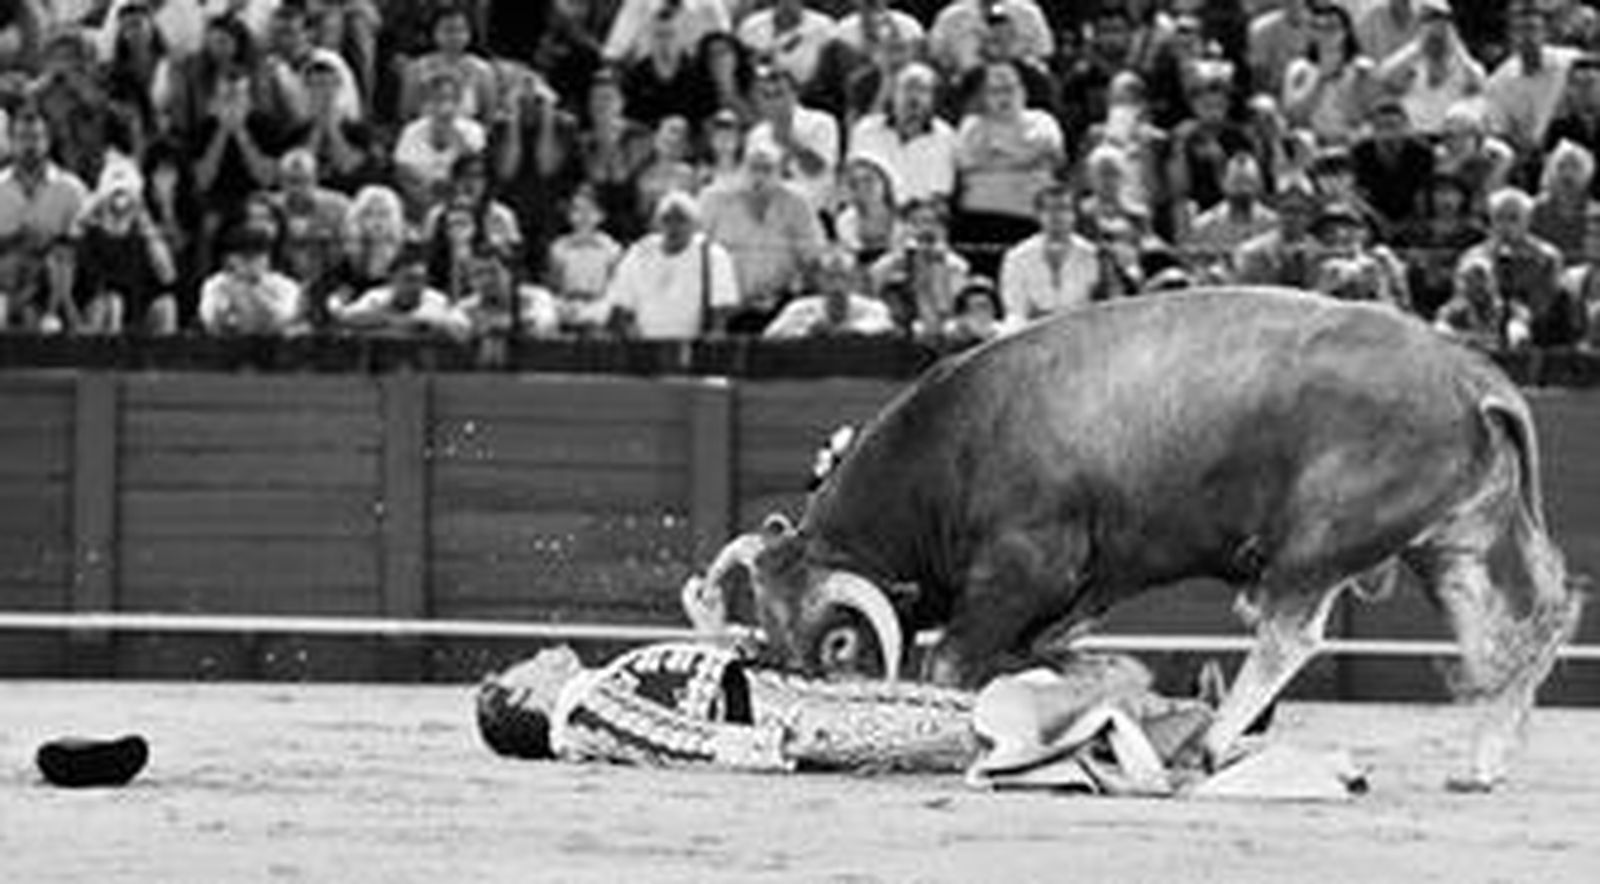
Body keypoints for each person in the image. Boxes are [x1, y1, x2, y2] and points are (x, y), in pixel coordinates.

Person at [951, 60, 1065, 279]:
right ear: (984, 96)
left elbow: (1050, 156)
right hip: (981, 222)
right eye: (995, 91)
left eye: (1010, 89)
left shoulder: (1042, 121)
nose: (1004, 97)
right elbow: (966, 162)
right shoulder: (972, 126)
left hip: (1030, 219)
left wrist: (992, 158)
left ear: (1023, 92)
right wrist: (1024, 158)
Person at [697, 144, 826, 333]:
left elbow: (812, 257)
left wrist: (792, 289)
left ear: (780, 173)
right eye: (753, 168)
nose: (759, 177)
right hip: (726, 308)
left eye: (767, 169)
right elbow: (698, 254)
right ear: (740, 169)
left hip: (781, 305)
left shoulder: (798, 202)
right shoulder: (713, 199)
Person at [602, 190, 740, 339]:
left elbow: (721, 310)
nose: (673, 226)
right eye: (666, 219)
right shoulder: (639, 252)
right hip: (646, 344)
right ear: (656, 224)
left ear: (696, 225)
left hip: (695, 345)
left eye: (681, 219)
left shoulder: (713, 255)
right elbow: (621, 305)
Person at [1455, 187, 1581, 348]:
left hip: (1538, 335)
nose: (1505, 225)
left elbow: (1545, 305)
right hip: (1482, 333)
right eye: (1499, 217)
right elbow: (1462, 300)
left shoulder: (1547, 257)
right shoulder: (1473, 257)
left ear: (1528, 220)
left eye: (1513, 218)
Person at [69, 153, 179, 335]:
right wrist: (87, 212)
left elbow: (168, 276)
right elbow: (73, 245)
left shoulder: (144, 232)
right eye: (114, 193)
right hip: (97, 313)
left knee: (166, 305)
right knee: (113, 303)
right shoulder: (90, 232)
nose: (120, 201)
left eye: (125, 193)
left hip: (137, 310)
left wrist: (146, 225)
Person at [0, 106, 87, 332]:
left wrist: (50, 242)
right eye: (22, 138)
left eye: (36, 137)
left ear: (48, 141)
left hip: (54, 286)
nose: (29, 146)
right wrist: (15, 241)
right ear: (10, 141)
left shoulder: (72, 189)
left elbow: (83, 246)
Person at [846, 62, 958, 208]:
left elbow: (941, 193)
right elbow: (853, 180)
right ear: (893, 93)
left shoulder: (946, 137)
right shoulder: (866, 129)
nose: (914, 96)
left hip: (919, 216)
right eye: (908, 87)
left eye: (923, 89)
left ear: (933, 98)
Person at [1373, 0, 1485, 136]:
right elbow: (1383, 77)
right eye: (1428, 20)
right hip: (1413, 135)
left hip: (1449, 136)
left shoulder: (1463, 64)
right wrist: (1418, 47)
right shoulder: (1411, 59)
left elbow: (1479, 83)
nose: (1436, 28)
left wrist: (1457, 46)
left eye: (1441, 20)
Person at [998, 183, 1105, 325]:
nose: (1057, 216)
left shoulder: (1092, 256)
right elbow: (1015, 310)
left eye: (1063, 209)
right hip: (1032, 330)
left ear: (1074, 215)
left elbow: (1099, 307)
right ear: (1038, 215)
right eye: (1050, 209)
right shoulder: (1017, 257)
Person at [745, 65, 840, 216]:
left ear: (795, 94)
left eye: (779, 94)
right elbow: (755, 182)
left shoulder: (821, 123)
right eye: (767, 96)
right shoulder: (756, 135)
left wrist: (791, 144)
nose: (774, 102)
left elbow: (818, 170)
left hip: (815, 212)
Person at [868, 197, 970, 336]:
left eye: (929, 222)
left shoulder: (956, 266)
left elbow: (954, 310)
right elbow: (872, 300)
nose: (923, 228)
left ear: (942, 230)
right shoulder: (885, 265)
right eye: (915, 222)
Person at [1281, 1, 1376, 146]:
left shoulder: (1362, 69)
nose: (1326, 33)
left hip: (1351, 141)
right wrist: (1320, 81)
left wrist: (1357, 84)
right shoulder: (1299, 69)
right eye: (1319, 28)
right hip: (1311, 142)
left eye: (1332, 27)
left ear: (1346, 31)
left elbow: (1362, 115)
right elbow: (1294, 117)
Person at [326, 249, 472, 341]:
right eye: (410, 279)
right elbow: (343, 317)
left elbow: (463, 331)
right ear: (392, 279)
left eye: (422, 280)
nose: (417, 287)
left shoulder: (438, 302)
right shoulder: (374, 300)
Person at [198, 223, 307, 336]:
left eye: (259, 255)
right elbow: (211, 323)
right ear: (228, 259)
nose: (252, 262)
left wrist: (254, 291)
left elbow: (284, 320)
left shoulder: (285, 285)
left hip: (274, 344)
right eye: (245, 257)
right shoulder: (216, 284)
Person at [1181, 153, 1279, 278]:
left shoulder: (1274, 225)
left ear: (1259, 184)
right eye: (1236, 182)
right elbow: (1194, 267)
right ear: (1224, 183)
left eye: (1248, 182)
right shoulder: (1204, 226)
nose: (1243, 189)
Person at [546, 185, 624, 335]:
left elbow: (615, 289)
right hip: (568, 306)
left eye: (590, 210)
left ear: (601, 215)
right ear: (569, 216)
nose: (584, 216)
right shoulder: (558, 248)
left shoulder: (612, 249)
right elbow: (554, 288)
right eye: (577, 210)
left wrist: (596, 308)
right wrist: (565, 306)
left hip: (599, 308)